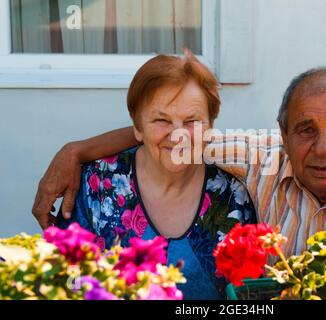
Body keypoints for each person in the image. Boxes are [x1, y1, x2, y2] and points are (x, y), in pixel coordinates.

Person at [33, 66, 326, 257]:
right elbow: (172, 137)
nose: (323, 147)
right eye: (306, 129)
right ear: (282, 132)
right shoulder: (261, 157)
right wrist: (77, 151)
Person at [53, 52, 257, 300]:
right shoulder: (95, 185)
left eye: (192, 121)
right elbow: (65, 284)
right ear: (137, 127)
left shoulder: (233, 197)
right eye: (162, 120)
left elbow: (247, 295)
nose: (177, 135)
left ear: (210, 126)